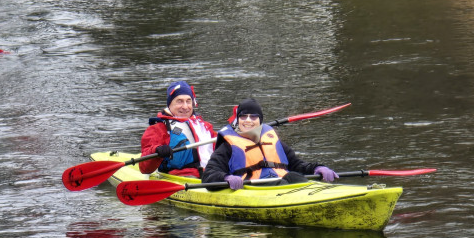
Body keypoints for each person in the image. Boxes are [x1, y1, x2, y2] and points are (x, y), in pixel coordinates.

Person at [202, 97, 338, 189]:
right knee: (283, 181)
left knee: (294, 177)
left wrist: (316, 168)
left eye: (253, 117)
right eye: (243, 117)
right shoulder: (227, 146)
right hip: (253, 186)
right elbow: (208, 175)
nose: (248, 120)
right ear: (238, 120)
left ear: (260, 120)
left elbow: (296, 164)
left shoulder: (271, 139)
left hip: (281, 181)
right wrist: (226, 177)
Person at [139, 81, 217, 177]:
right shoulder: (159, 129)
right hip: (180, 177)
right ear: (170, 104)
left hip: (210, 174)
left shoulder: (204, 126)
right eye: (179, 101)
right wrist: (157, 151)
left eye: (188, 101)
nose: (185, 107)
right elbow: (144, 167)